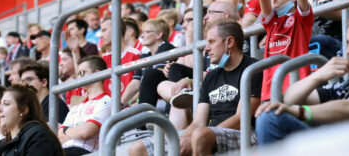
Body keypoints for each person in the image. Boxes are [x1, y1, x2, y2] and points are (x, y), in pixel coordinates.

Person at [254, 12, 349, 144]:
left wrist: (301, 112)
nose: (348, 50)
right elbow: (288, 99)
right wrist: (318, 76)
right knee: (269, 117)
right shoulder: (346, 87)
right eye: (348, 42)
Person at [129, 20, 263, 156]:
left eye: (211, 42)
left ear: (229, 42)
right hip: (208, 134)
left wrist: (203, 135)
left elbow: (241, 118)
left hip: (244, 134)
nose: (206, 49)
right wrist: (183, 140)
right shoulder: (211, 76)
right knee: (138, 148)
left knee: (200, 136)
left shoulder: (252, 69)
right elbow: (198, 121)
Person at [0, 85, 63, 156]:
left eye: (6, 104)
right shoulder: (1, 145)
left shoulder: (38, 136)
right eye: (1, 104)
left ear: (23, 110)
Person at [58, 56, 111, 155]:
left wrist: (66, 130)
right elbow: (59, 136)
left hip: (84, 152)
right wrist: (72, 132)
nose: (79, 78)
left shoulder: (106, 101)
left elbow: (86, 132)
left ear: (96, 74)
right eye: (78, 74)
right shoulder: (76, 106)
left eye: (82, 73)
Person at [120, 19, 175, 108]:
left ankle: (144, 114)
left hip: (165, 101)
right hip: (152, 101)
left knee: (151, 74)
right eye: (143, 32)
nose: (142, 35)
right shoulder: (145, 56)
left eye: (147, 32)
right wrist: (121, 103)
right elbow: (135, 83)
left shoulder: (166, 47)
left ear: (159, 35)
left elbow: (156, 75)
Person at [99, 18, 140, 98]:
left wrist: (128, 103)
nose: (101, 35)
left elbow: (141, 85)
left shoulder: (135, 55)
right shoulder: (104, 58)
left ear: (116, 29)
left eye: (104, 30)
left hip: (129, 106)